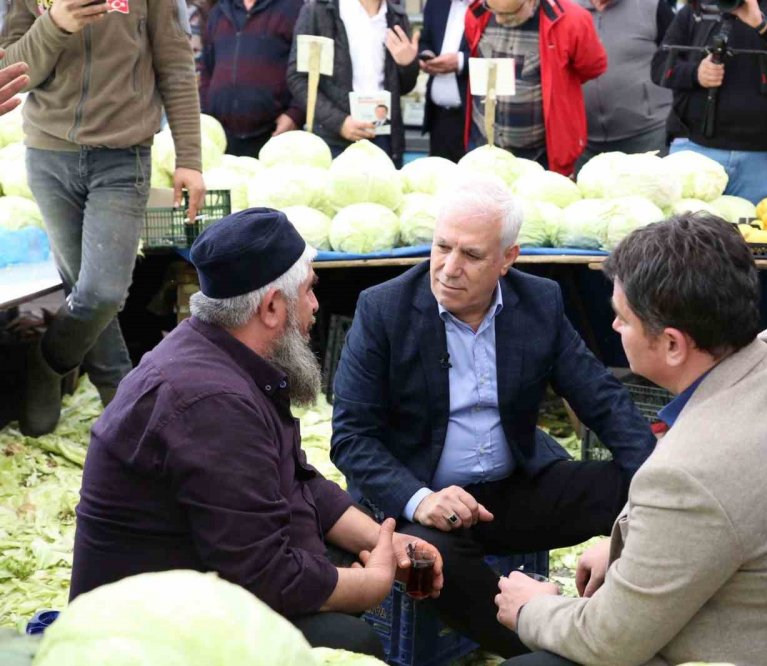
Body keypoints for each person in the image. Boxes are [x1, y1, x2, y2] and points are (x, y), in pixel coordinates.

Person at [497, 213, 767, 666]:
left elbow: (606, 642)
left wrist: (530, 609)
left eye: (623, 318)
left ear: (674, 344)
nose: (615, 329)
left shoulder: (687, 473)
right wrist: (629, 547)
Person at [69, 209, 444, 655]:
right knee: (348, 642)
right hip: (145, 637)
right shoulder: (211, 403)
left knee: (339, 564)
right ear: (270, 307)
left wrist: (386, 542)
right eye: (309, 291)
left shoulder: (222, 353)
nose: (315, 306)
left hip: (204, 585)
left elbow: (299, 481)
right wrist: (371, 585)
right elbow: (264, 577)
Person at [331, 178, 656, 657]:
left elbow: (600, 399)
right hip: (424, 502)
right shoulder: (384, 309)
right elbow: (351, 438)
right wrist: (421, 500)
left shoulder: (538, 302)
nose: (448, 268)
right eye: (442, 247)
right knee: (430, 559)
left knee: (641, 488)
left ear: (508, 258)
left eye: (472, 255)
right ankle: (550, 642)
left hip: (513, 488)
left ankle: (641, 615)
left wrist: (658, 477)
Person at [1, 0, 206, 437]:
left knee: (103, 291)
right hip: (47, 154)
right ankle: (123, 399)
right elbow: (15, 71)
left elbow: (175, 62)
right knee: (83, 286)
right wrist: (56, 23)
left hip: (123, 155)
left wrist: (190, 155)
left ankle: (47, 363)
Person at [651, 0, 767, 202]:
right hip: (695, 150)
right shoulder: (699, 8)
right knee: (689, 231)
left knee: (756, 232)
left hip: (763, 157)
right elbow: (660, 67)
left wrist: (763, 24)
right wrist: (696, 73)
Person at [464, 0, 607, 176]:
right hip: (483, 148)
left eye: (508, 14)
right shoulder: (478, 12)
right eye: (493, 11)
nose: (499, 20)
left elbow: (592, 67)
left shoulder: (572, 20)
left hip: (541, 157)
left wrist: (560, 82)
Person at [287, 0, 419, 167]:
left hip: (383, 139)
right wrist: (339, 122)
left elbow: (405, 86)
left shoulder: (396, 17)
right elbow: (298, 78)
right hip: (333, 139)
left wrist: (407, 65)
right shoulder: (319, 12)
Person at [572, 0, 675, 172]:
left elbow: (678, 61)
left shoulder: (652, 7)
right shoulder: (566, 9)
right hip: (585, 142)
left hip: (648, 136)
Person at [198, 0, 305, 157]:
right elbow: (206, 68)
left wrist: (295, 114)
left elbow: (308, 69)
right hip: (222, 140)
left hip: (275, 137)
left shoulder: (293, 9)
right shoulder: (219, 11)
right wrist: (207, 108)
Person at [419, 0, 470, 162]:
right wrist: (425, 55)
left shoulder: (490, 5)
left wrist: (460, 61)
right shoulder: (436, 4)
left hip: (472, 119)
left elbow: (495, 54)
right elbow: (425, 39)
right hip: (439, 118)